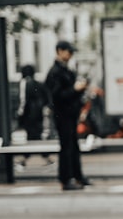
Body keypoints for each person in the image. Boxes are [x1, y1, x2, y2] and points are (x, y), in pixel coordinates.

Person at [44, 40, 90, 191]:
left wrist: (80, 89)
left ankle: (77, 176)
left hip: (70, 114)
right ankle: (66, 179)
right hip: (62, 115)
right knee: (67, 146)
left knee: (73, 145)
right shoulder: (55, 72)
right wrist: (75, 89)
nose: (70, 55)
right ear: (59, 51)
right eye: (68, 52)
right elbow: (57, 96)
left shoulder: (65, 70)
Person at [15, 64, 52, 169]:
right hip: (38, 114)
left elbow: (23, 101)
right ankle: (44, 157)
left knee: (31, 137)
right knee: (36, 137)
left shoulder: (25, 84)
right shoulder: (38, 84)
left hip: (29, 115)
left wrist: (20, 114)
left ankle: (27, 158)